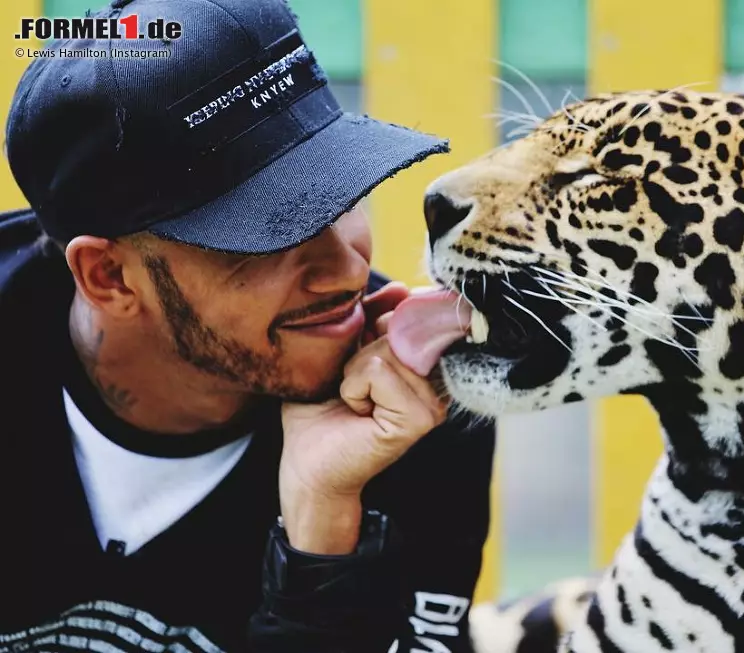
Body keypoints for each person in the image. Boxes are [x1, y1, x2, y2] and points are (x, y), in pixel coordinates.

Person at [0, 0, 496, 651]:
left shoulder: (405, 414)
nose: (345, 269)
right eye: (268, 232)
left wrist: (321, 532)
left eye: (340, 194)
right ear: (109, 277)